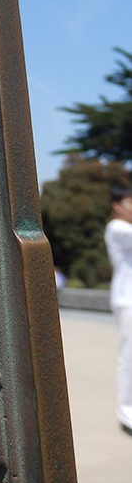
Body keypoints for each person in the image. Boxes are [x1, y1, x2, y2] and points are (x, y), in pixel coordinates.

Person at [105, 185, 132, 436]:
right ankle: (127, 412)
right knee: (128, 357)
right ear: (117, 206)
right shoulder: (118, 228)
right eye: (129, 202)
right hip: (127, 301)